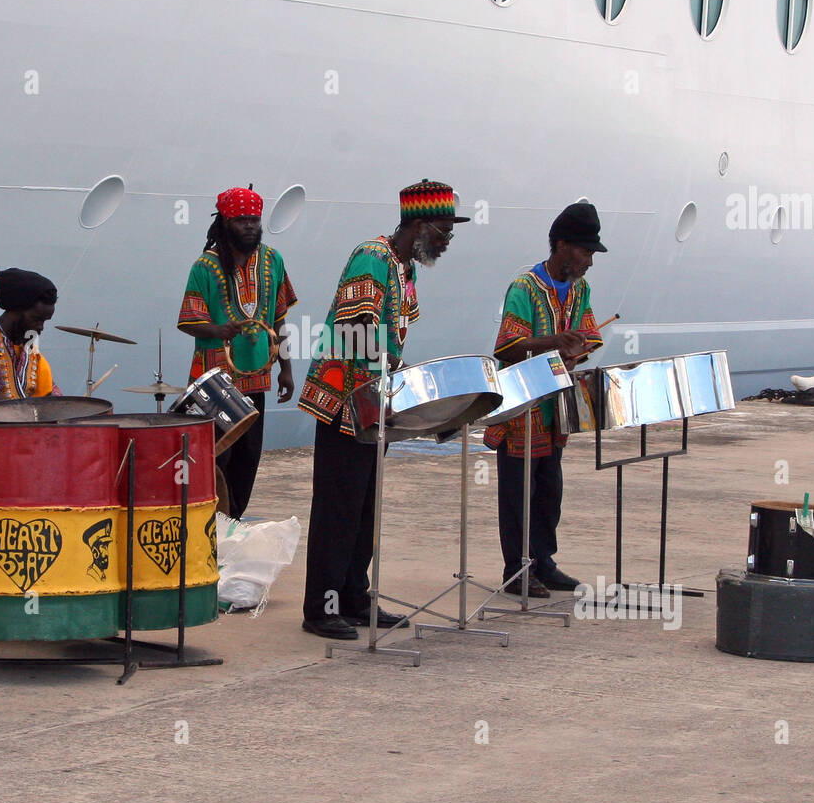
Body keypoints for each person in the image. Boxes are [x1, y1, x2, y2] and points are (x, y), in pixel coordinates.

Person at [298, 179, 467, 639]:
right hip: (343, 402)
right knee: (338, 508)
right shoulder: (372, 257)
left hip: (374, 406)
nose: (448, 240)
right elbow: (356, 329)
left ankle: (354, 598)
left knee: (364, 507)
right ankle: (321, 608)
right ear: (418, 225)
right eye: (444, 230)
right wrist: (403, 369)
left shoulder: (404, 267)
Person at [484, 202, 606, 597]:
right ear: (561, 246)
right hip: (522, 409)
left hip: (555, 409)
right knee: (519, 494)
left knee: (549, 490)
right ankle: (516, 570)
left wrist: (577, 346)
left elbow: (589, 335)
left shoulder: (580, 289)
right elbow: (506, 347)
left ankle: (543, 562)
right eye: (584, 252)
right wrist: (554, 342)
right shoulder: (525, 288)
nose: (589, 261)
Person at [177, 185, 297, 519]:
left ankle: (232, 524)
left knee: (248, 457)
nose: (250, 226)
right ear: (225, 222)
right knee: (215, 460)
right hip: (214, 382)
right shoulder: (205, 266)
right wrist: (218, 331)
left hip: (256, 379)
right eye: (242, 220)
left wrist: (285, 369)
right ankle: (206, 529)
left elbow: (280, 318)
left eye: (254, 220)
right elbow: (188, 321)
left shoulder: (273, 260)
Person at [0, 268, 63, 402]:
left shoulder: (32, 354)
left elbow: (50, 398)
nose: (40, 327)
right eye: (36, 319)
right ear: (16, 311)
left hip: (24, 421)